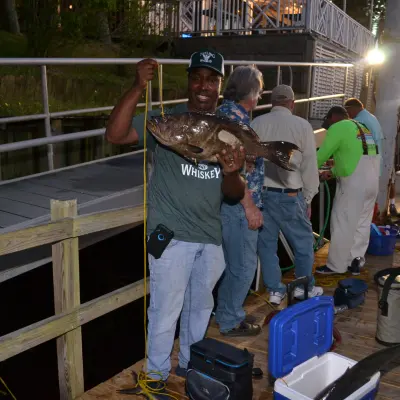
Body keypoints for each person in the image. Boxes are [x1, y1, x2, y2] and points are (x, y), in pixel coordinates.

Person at [105, 50, 246, 398]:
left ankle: (190, 364)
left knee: (201, 309)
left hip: (211, 237)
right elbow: (115, 134)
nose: (203, 86)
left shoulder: (227, 132)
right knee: (165, 309)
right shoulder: (164, 123)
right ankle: (154, 375)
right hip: (169, 237)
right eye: (197, 77)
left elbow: (233, 193)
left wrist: (232, 171)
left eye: (211, 79)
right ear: (188, 81)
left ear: (220, 86)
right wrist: (138, 86)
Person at [250, 85, 323, 306]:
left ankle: (275, 290)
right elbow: (310, 164)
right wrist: (309, 197)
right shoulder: (302, 126)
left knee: (266, 245)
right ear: (292, 103)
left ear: (272, 103)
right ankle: (302, 289)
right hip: (290, 195)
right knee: (303, 244)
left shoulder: (256, 123)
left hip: (262, 195)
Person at [214, 65, 264, 337]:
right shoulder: (237, 121)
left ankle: (223, 311)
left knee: (228, 265)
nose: (262, 93)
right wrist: (250, 206)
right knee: (243, 267)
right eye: (260, 88)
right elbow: (233, 168)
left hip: (225, 204)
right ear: (252, 92)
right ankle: (230, 320)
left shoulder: (225, 113)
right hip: (238, 207)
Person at [316, 106, 380, 275]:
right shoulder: (362, 128)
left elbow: (320, 156)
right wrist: (333, 171)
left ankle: (336, 266)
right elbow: (354, 157)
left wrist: (306, 171)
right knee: (362, 223)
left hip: (353, 185)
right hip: (372, 182)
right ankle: (355, 262)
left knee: (342, 223)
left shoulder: (338, 127)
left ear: (332, 118)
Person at [344, 98, 399, 216]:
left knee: (358, 210)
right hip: (374, 166)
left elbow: (354, 146)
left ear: (353, 108)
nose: (348, 115)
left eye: (347, 111)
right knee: (367, 211)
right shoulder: (371, 117)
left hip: (365, 168)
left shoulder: (359, 121)